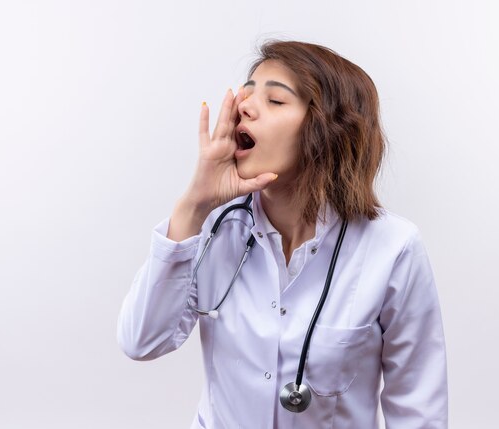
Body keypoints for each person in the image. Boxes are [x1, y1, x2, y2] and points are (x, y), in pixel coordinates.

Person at [117, 40, 448, 429]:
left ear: (327, 129)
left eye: (275, 101)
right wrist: (194, 204)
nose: (244, 107)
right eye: (248, 93)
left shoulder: (393, 248)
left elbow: (417, 408)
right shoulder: (212, 228)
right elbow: (142, 341)